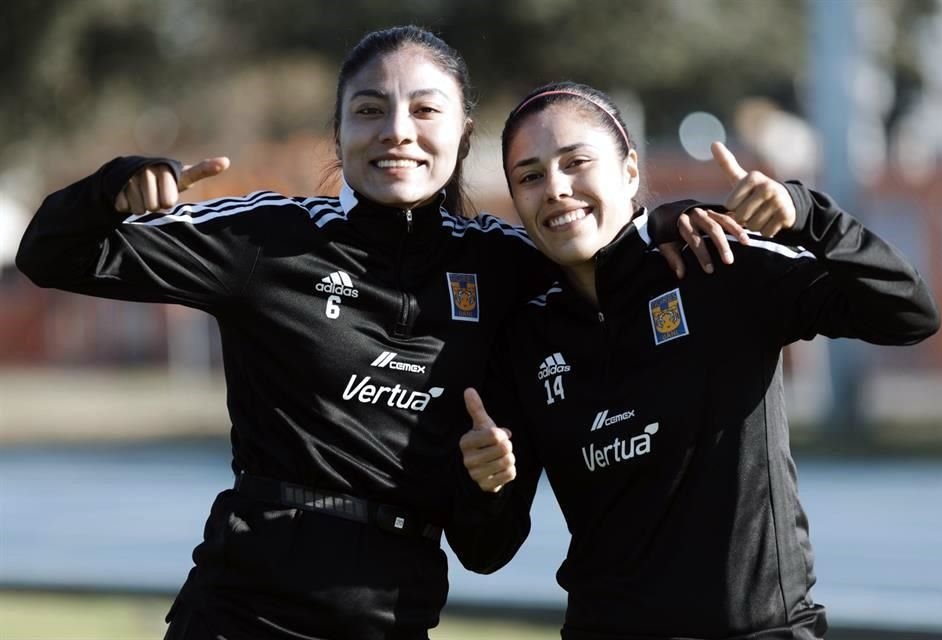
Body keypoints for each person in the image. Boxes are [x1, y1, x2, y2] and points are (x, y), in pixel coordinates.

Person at [15, 28, 736, 640]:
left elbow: (487, 548)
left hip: (396, 618)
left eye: (425, 110)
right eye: (369, 110)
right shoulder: (268, 241)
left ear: (461, 135)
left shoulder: (505, 266)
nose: (396, 131)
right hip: (244, 612)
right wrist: (114, 188)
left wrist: (663, 222)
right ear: (340, 133)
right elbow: (49, 252)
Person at [459, 82, 941, 640]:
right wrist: (486, 485)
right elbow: (484, 553)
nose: (557, 189)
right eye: (530, 176)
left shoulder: (719, 261)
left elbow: (909, 314)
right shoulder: (525, 337)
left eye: (577, 163)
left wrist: (806, 212)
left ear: (630, 171)